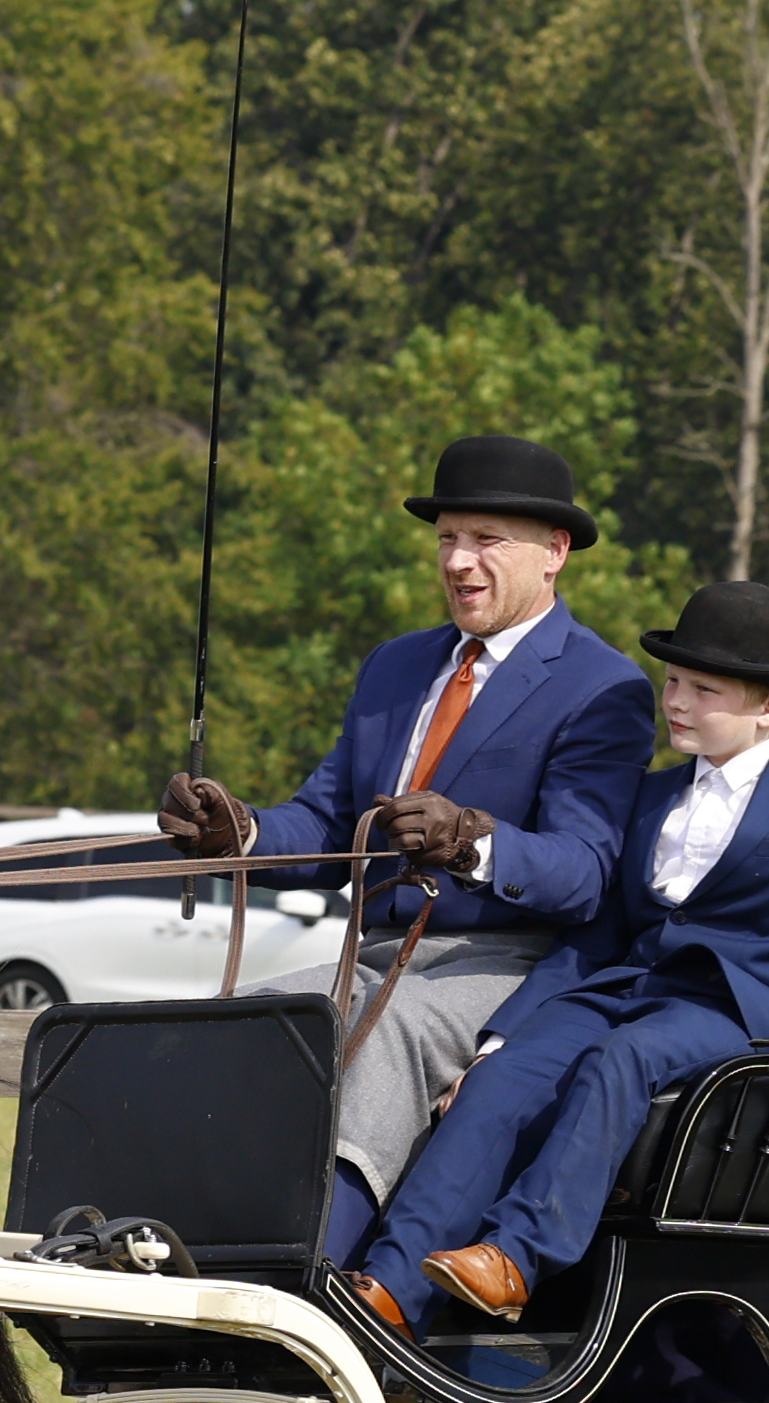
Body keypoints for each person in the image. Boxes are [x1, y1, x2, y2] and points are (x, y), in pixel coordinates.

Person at [337, 580, 769, 1335]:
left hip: (736, 1009)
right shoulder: (648, 796)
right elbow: (595, 937)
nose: (676, 702)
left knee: (621, 1059)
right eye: (673, 682)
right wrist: (501, 1036)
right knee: (502, 1077)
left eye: (703, 690)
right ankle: (391, 1287)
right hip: (622, 986)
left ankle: (515, 1258)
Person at [155, 434, 654, 1262]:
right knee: (248, 1021)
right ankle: (192, 1249)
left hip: (505, 965)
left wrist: (473, 843)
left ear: (554, 552)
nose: (458, 562)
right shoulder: (394, 668)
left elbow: (585, 871)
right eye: (446, 539)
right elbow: (325, 823)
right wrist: (236, 831)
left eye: (485, 540)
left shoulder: (601, 687)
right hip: (378, 950)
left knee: (387, 1032)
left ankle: (323, 1276)